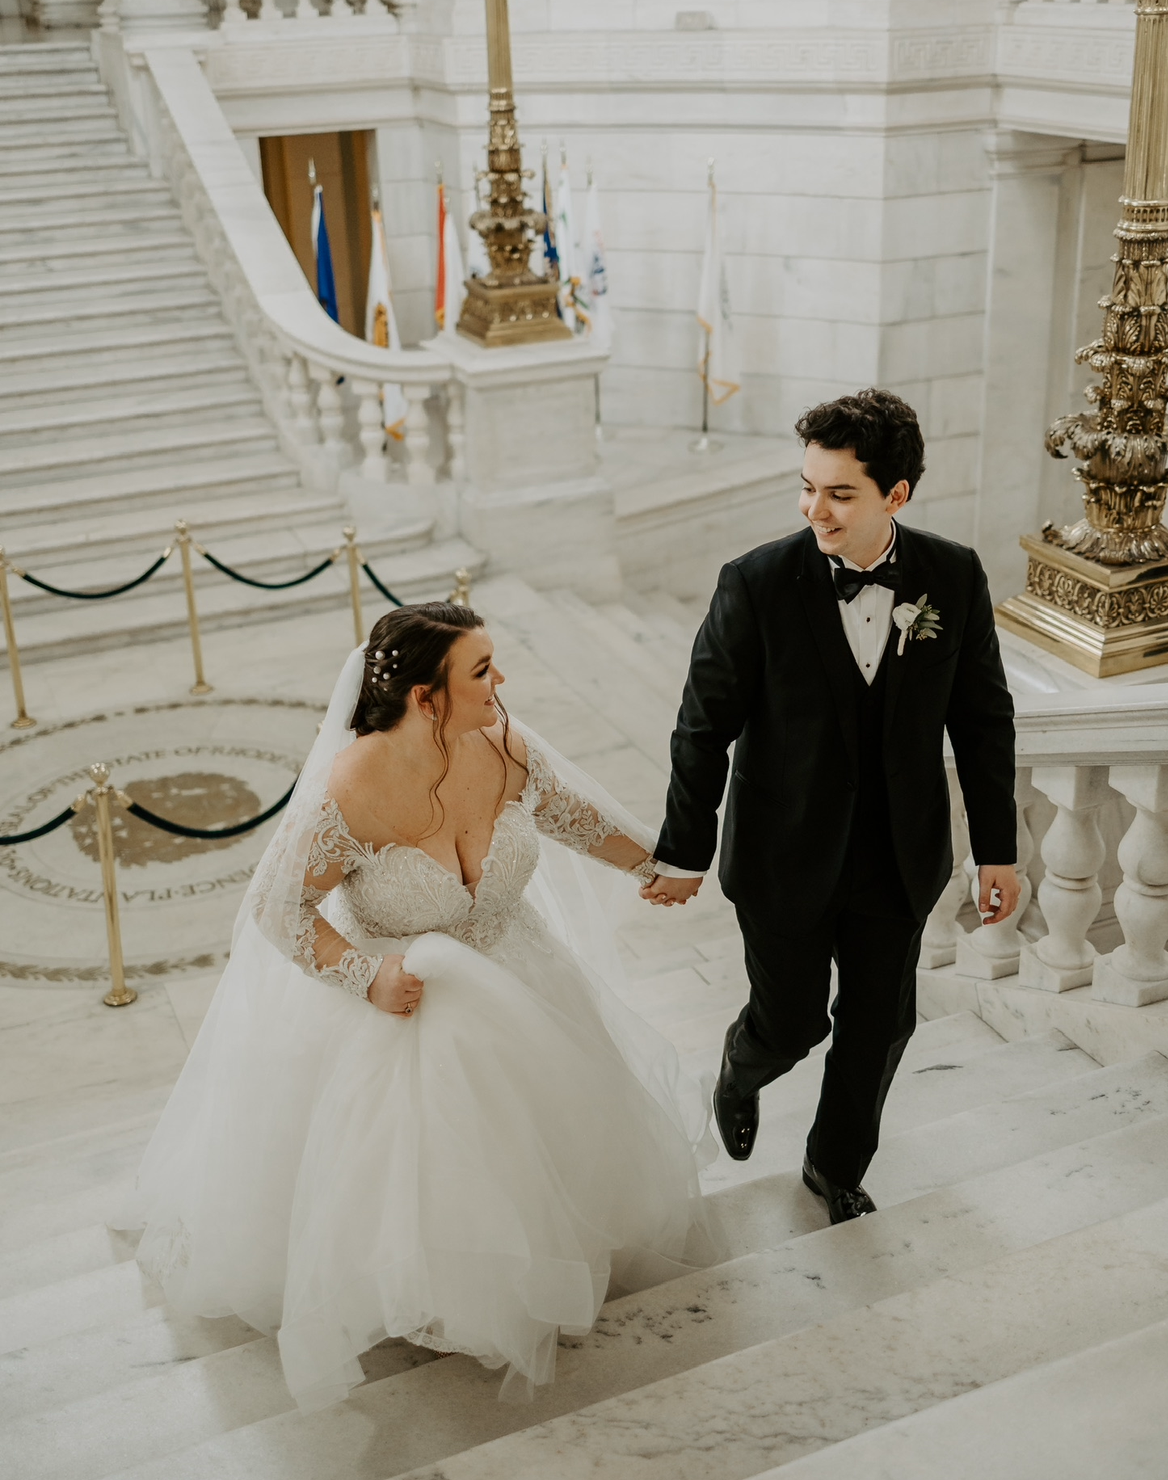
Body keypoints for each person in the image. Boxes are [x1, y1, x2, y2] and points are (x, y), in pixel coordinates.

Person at [129, 603, 719, 1411]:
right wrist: (362, 977)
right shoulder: (350, 790)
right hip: (402, 1004)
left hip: (524, 980)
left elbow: (573, 816)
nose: (501, 681)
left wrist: (659, 864)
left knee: (552, 1140)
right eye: (481, 670)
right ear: (423, 698)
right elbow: (276, 908)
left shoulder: (505, 743)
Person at [641, 389, 1019, 1224]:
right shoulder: (755, 584)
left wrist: (999, 848)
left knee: (880, 1025)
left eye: (839, 492)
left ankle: (834, 1163)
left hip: (899, 856)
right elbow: (702, 730)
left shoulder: (952, 576)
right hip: (784, 858)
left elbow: (984, 721)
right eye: (806, 486)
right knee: (792, 1022)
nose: (816, 508)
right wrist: (682, 850)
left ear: (897, 495)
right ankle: (743, 1066)